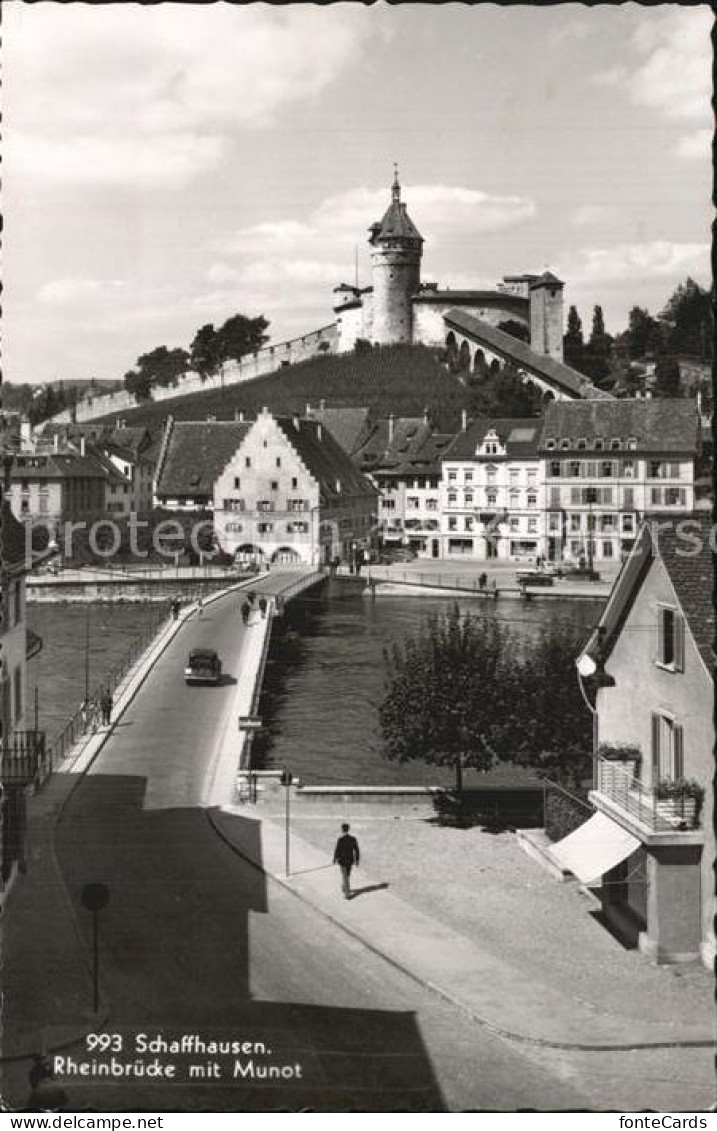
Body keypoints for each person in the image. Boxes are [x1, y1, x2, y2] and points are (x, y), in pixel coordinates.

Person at [333, 823, 360, 899]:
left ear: (342, 829)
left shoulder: (340, 839)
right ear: (348, 829)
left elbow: (337, 850)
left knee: (346, 876)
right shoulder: (353, 839)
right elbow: (357, 850)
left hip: (342, 861)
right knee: (346, 876)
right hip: (350, 861)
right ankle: (347, 894)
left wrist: (335, 859)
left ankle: (345, 887)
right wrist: (357, 860)